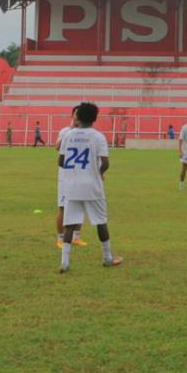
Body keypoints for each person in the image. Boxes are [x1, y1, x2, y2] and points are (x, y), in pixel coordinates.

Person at [58, 102, 122, 273]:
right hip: (92, 185)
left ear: (77, 117)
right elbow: (105, 163)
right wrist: (98, 173)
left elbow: (61, 161)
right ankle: (107, 257)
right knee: (100, 221)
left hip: (71, 186)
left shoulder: (68, 136)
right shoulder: (97, 137)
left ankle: (64, 261)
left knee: (69, 224)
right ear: (95, 118)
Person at [55, 107, 87, 250]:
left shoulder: (86, 133)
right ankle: (60, 238)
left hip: (80, 175)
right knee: (63, 208)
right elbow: (57, 147)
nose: (77, 118)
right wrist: (70, 132)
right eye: (76, 115)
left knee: (80, 206)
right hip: (66, 177)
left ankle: (76, 237)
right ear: (72, 116)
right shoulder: (65, 131)